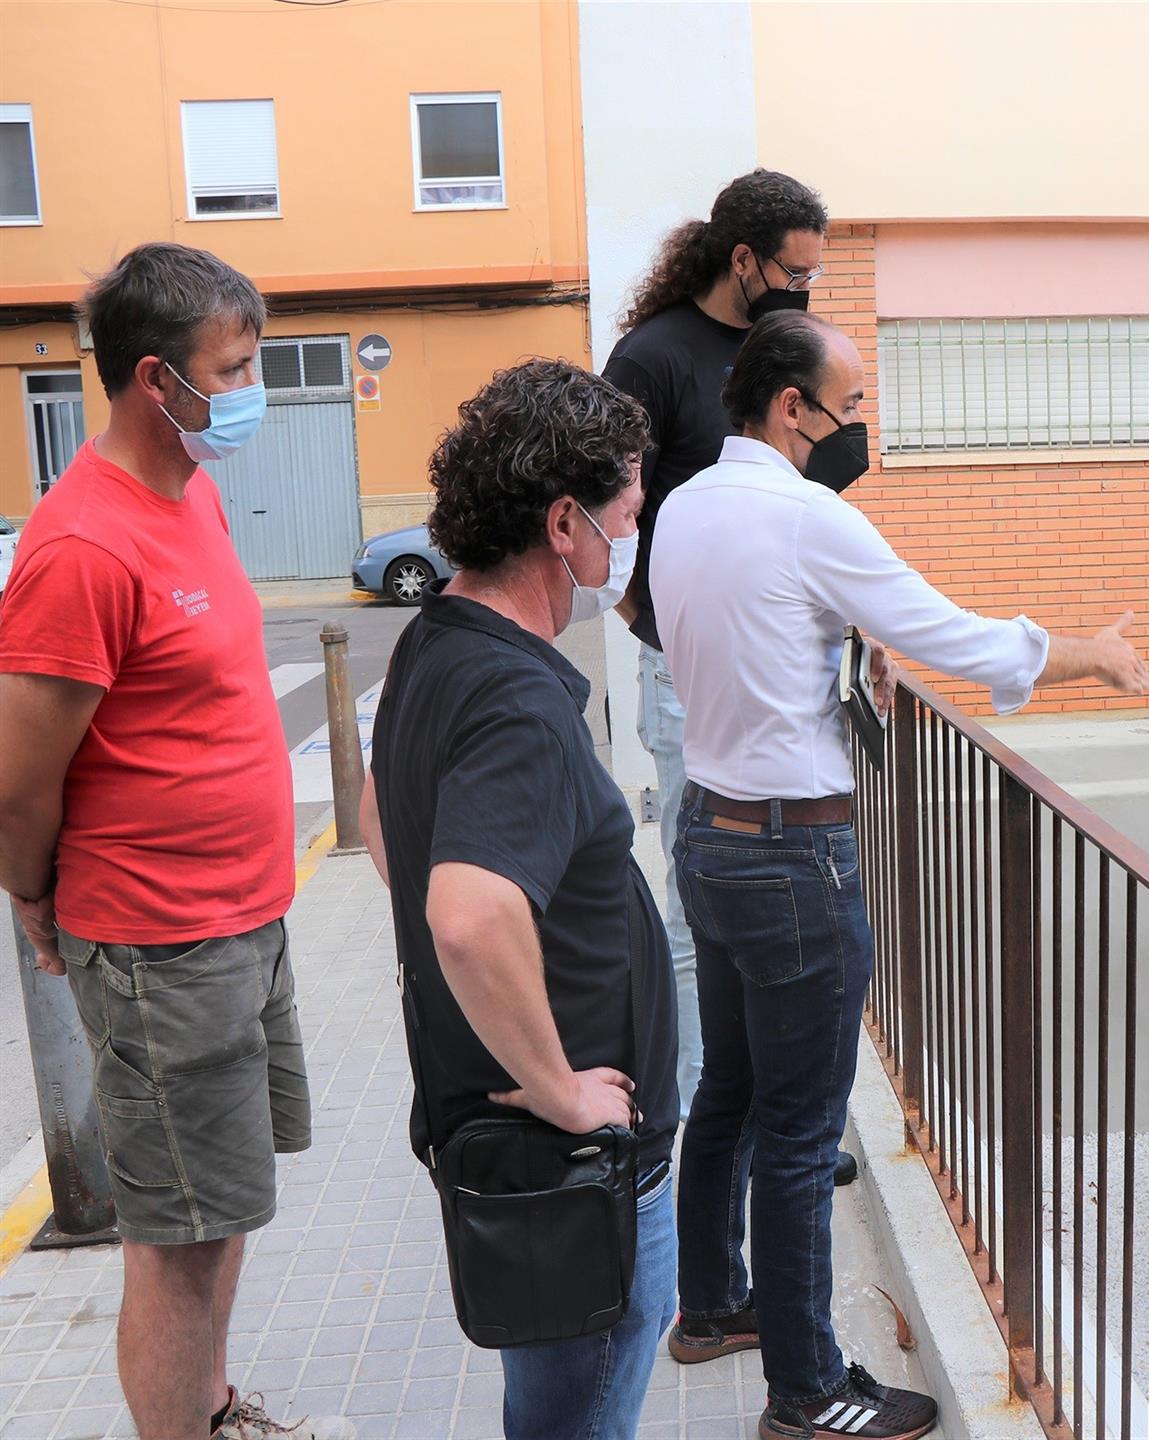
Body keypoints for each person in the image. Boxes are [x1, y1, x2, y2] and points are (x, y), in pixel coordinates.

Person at [651, 311, 1149, 1440]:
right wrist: (1089, 652)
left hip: (707, 830)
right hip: (792, 854)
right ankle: (806, 1388)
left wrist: (834, 643)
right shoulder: (807, 516)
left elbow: (738, 632)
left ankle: (713, 1305)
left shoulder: (686, 505)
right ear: (792, 408)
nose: (860, 425)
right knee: (795, 1129)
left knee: (729, 1092)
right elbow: (958, 637)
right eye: (853, 403)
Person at [0, 243, 349, 1440]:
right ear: (157, 380)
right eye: (236, 368)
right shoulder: (81, 546)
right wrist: (37, 902)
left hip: (242, 917)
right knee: (178, 1239)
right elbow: (15, 784)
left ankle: (209, 1409)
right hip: (159, 943)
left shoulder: (186, 491)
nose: (252, 389)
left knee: (223, 1202)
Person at [357, 359, 678, 1440]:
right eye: (627, 507)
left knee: (551, 1404)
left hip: (528, 1165)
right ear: (562, 521)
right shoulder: (512, 698)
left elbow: (378, 823)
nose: (633, 528)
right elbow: (464, 911)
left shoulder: (434, 644)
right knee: (579, 1415)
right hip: (572, 1164)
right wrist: (555, 1086)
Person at [602, 169, 839, 1147]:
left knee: (788, 901)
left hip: (788, 670)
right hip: (691, 672)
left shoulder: (793, 355)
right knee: (704, 904)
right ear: (741, 259)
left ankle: (786, 1126)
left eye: (815, 274)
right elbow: (607, 507)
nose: (805, 290)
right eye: (792, 270)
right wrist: (648, 616)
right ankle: (709, 1119)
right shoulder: (652, 359)